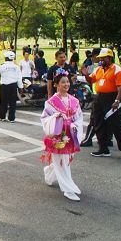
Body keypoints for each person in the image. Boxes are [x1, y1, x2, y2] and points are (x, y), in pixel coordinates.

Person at [81, 48, 121, 159]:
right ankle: (103, 149)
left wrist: (117, 101)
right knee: (98, 124)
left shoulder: (117, 69)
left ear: (110, 58)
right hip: (99, 98)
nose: (101, 60)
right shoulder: (98, 69)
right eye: (100, 58)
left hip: (111, 98)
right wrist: (85, 75)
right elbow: (91, 80)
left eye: (103, 58)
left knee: (116, 125)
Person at [40, 69, 83, 201]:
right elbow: (44, 118)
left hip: (71, 134)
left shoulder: (74, 100)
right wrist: (55, 117)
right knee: (63, 162)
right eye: (63, 82)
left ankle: (49, 173)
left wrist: (75, 125)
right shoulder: (51, 102)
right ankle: (68, 189)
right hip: (58, 135)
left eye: (67, 82)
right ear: (56, 84)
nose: (66, 84)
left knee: (63, 161)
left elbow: (79, 117)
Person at [0, 51, 23, 122]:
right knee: (12, 103)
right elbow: (19, 78)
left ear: (6, 58)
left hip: (4, 86)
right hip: (13, 86)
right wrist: (21, 87)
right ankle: (11, 118)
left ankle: (2, 117)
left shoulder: (3, 66)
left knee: (3, 102)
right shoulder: (16, 67)